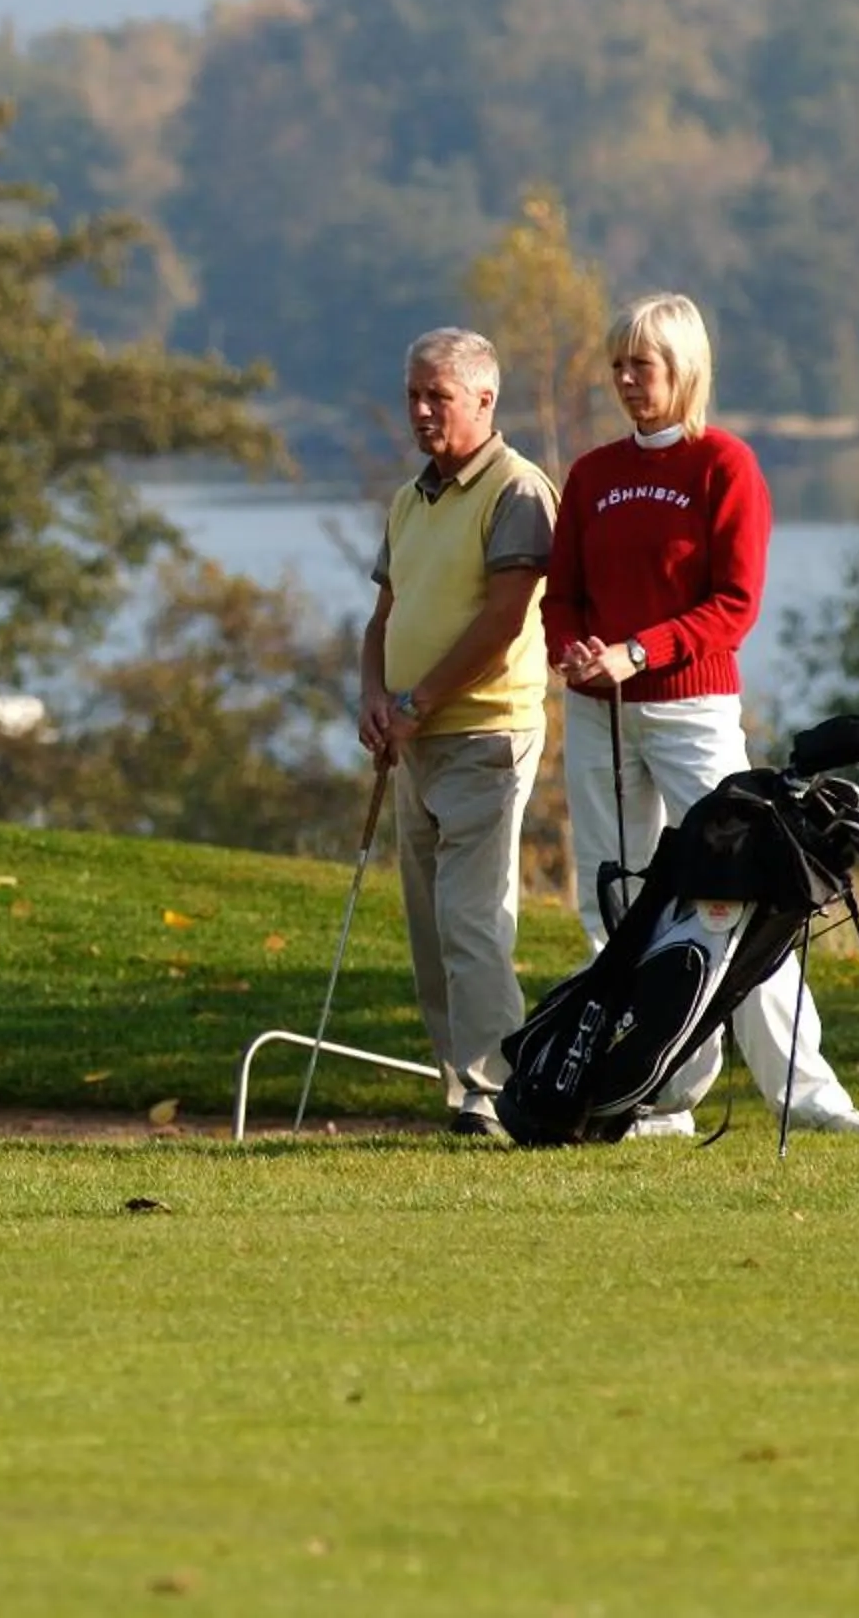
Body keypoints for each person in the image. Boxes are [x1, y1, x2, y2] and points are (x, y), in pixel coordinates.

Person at [541, 292, 859, 1138]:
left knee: (740, 894)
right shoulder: (591, 475)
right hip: (599, 714)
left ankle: (806, 1096)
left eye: (641, 365)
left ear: (684, 369)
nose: (625, 380)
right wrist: (574, 651)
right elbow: (563, 597)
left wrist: (639, 652)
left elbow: (732, 606)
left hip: (691, 710)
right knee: (616, 902)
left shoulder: (724, 466)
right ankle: (644, 1093)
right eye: (617, 365)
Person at [359, 328, 560, 1140]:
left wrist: (420, 701)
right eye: (412, 395)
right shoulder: (411, 500)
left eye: (436, 396)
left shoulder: (518, 490)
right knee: (430, 929)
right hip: (415, 740)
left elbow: (504, 620)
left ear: (484, 399)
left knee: (471, 921)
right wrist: (375, 698)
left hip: (485, 733)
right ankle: (463, 1091)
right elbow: (383, 618)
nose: (419, 411)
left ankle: (496, 1096)